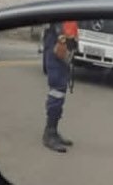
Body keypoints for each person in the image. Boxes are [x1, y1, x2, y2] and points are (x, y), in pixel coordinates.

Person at [42, 21, 78, 153]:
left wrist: (72, 42)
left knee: (61, 89)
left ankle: (53, 130)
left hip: (64, 41)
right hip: (57, 40)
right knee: (57, 89)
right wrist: (62, 39)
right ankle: (49, 133)